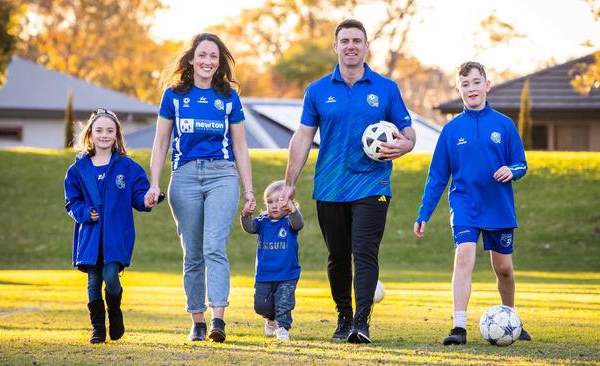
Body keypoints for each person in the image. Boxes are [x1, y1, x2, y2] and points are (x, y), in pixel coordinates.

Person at [278, 19, 417, 344]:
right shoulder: (317, 90)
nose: (351, 46)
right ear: (336, 47)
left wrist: (405, 145)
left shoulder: (386, 88)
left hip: (373, 185)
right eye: (345, 41)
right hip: (330, 186)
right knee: (337, 256)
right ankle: (343, 318)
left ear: (367, 47)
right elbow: (302, 138)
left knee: (364, 252)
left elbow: (408, 131)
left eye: (357, 40)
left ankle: (361, 322)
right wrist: (289, 183)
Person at [146, 33, 256, 343]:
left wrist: (249, 190)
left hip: (222, 175)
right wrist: (154, 183)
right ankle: (197, 320)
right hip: (184, 177)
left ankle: (218, 319)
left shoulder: (229, 97)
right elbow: (161, 143)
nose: (208, 61)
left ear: (219, 62)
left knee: (214, 247)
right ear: (192, 59)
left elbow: (240, 146)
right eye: (203, 55)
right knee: (193, 253)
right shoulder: (173, 96)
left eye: (214, 56)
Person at [413, 61, 531, 345]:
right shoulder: (451, 131)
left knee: (503, 269)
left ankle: (510, 318)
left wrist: (511, 171)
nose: (471, 88)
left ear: (486, 85)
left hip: (498, 205)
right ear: (459, 89)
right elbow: (438, 177)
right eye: (465, 84)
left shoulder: (504, 125)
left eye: (476, 82)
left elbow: (521, 163)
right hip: (464, 203)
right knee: (464, 255)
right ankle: (459, 327)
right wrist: (424, 212)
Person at [64, 108, 157, 344]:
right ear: (90, 135)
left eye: (110, 130)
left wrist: (147, 199)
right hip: (90, 237)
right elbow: (72, 203)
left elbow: (139, 196)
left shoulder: (128, 167)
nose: (104, 135)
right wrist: (86, 212)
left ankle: (115, 312)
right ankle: (97, 329)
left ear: (117, 135)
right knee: (94, 281)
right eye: (99, 130)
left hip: (116, 236)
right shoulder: (77, 170)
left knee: (111, 276)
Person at [241, 180, 304, 341]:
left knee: (283, 304)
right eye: (270, 202)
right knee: (261, 306)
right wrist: (246, 215)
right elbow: (249, 228)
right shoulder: (262, 222)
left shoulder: (289, 222)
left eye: (279, 201)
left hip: (287, 274)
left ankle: (283, 328)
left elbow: (299, 223)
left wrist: (292, 211)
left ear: (289, 203)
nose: (274, 205)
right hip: (264, 275)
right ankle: (270, 319)